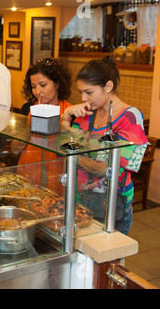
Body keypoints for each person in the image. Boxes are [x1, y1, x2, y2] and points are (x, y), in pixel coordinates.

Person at [61, 56, 148, 234]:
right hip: (79, 199)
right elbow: (63, 145)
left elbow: (107, 169)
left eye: (89, 92)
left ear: (108, 86)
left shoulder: (130, 117)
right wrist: (66, 116)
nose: (84, 98)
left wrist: (73, 156)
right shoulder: (87, 112)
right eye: (80, 92)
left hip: (110, 204)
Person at [15, 58, 73, 195]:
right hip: (28, 174)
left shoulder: (70, 113)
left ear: (57, 84)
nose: (38, 91)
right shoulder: (28, 109)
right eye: (34, 86)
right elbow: (15, 146)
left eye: (43, 85)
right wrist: (28, 129)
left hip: (58, 178)